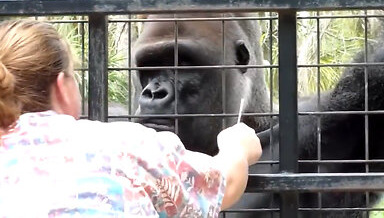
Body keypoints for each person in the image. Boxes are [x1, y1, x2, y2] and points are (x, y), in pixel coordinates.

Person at [0, 19, 262, 217]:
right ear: (61, 86)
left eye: (181, 65)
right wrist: (237, 147)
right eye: (150, 68)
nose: (153, 91)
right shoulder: (120, 144)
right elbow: (224, 184)